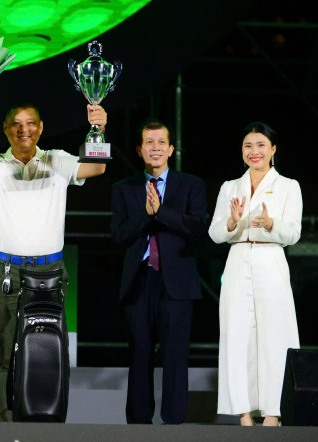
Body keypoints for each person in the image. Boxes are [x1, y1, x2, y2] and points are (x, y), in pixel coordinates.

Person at [0, 91, 107, 421]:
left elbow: (97, 167)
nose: (23, 130)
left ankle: (48, 421)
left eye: (30, 124)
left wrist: (99, 130)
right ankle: (5, 424)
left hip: (50, 273)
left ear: (41, 128)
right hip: (6, 272)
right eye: (15, 125)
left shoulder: (58, 160)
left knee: (52, 353)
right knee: (2, 356)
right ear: (5, 130)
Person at [110, 119, 207, 424]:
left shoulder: (191, 185)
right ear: (140, 150)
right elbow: (119, 235)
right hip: (139, 281)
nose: (155, 148)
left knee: (175, 356)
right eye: (149, 143)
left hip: (176, 283)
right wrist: (145, 214)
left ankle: (174, 424)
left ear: (171, 149)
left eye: (161, 142)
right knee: (139, 355)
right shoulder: (123, 189)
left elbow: (197, 228)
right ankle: (139, 425)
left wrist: (161, 212)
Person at [208, 121, 301, 426]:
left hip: (270, 260)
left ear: (273, 150)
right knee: (236, 336)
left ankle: (273, 413)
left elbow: (293, 233)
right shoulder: (229, 187)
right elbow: (215, 233)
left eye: (261, 145)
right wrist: (234, 223)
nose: (254, 151)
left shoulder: (288, 186)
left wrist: (271, 223)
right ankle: (244, 414)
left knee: (276, 336)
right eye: (248, 146)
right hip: (237, 261)